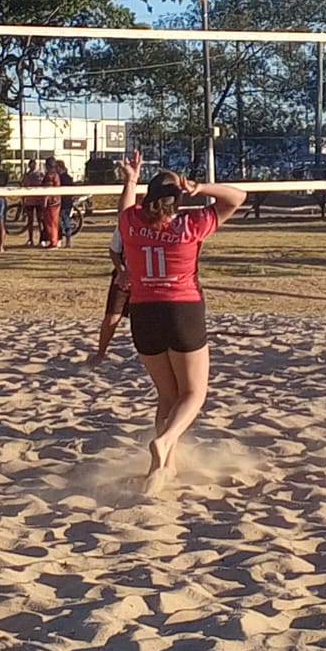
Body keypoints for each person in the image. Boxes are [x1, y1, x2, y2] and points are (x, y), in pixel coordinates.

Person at [113, 149, 246, 491]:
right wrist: (200, 187)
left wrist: (130, 179)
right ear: (177, 199)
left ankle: (164, 467)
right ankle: (167, 440)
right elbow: (238, 196)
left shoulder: (130, 224)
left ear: (148, 198)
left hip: (143, 314)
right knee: (194, 393)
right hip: (181, 309)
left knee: (166, 396)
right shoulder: (190, 225)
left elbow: (125, 208)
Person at [87, 225, 130, 367]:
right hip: (124, 277)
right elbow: (114, 250)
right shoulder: (126, 223)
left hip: (147, 279)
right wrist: (122, 271)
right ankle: (101, 353)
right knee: (112, 316)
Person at [40, 158, 62, 248]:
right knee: (55, 222)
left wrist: (44, 201)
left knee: (50, 222)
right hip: (57, 201)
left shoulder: (49, 175)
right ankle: (55, 240)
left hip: (51, 202)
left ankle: (53, 242)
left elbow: (47, 190)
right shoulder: (56, 174)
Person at [20, 159, 42, 246]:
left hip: (38, 201)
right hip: (29, 201)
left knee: (40, 221)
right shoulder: (26, 176)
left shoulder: (40, 175)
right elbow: (23, 187)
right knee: (30, 221)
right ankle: (30, 239)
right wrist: (23, 199)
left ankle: (41, 239)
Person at [56, 159, 76, 248]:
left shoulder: (61, 177)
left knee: (63, 222)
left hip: (63, 202)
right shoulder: (68, 177)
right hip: (68, 202)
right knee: (65, 221)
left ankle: (62, 240)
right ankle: (67, 240)